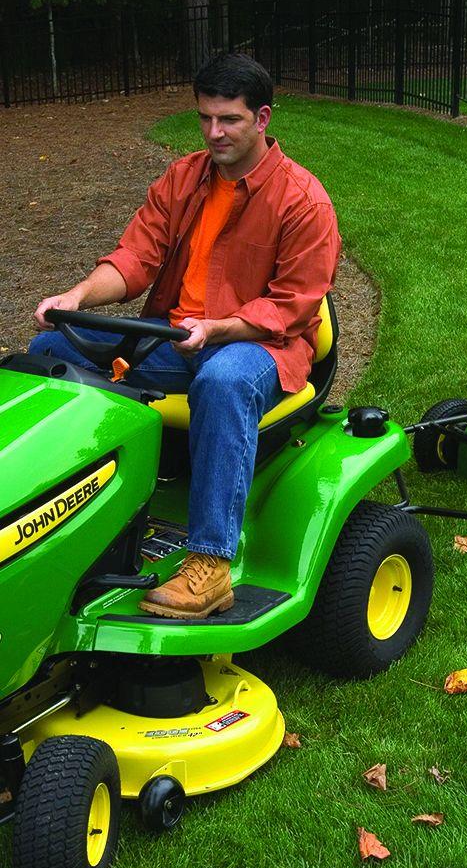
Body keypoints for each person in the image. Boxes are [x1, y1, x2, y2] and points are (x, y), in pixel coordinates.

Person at [29, 53, 340, 620]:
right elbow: (134, 258)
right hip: (174, 338)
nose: (214, 132)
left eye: (229, 120)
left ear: (263, 118)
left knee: (224, 379)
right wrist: (75, 299)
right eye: (205, 118)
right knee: (50, 352)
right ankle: (75, 514)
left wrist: (218, 326)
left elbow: (292, 307)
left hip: (260, 346)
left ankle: (210, 564)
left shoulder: (303, 201)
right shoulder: (184, 177)